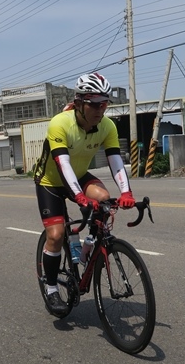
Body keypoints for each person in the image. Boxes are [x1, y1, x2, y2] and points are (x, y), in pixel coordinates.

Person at [33, 72, 136, 315]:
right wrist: (79, 197)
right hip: (51, 180)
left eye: (105, 103)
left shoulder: (107, 126)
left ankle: (90, 244)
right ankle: (50, 288)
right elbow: (63, 165)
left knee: (103, 199)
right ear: (79, 103)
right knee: (56, 235)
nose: (101, 109)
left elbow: (115, 162)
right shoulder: (60, 123)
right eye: (94, 104)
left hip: (79, 176)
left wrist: (126, 192)